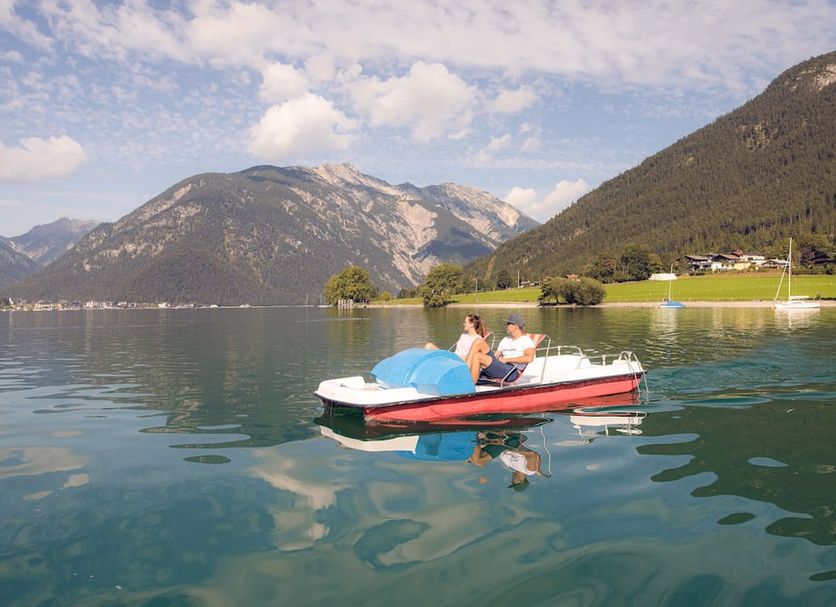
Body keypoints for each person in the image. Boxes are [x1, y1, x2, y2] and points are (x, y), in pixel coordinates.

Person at [425, 314, 491, 382]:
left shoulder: (478, 340)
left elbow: (474, 358)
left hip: (462, 363)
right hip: (454, 358)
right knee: (429, 346)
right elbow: (457, 351)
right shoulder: (463, 336)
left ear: (471, 325)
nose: (463, 324)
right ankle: (426, 373)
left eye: (465, 322)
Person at [474, 312, 535, 383]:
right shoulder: (505, 339)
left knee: (477, 356)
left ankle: (471, 384)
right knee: (477, 351)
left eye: (508, 323)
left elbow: (529, 358)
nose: (506, 326)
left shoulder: (526, 340)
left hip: (512, 371)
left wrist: (506, 360)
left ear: (516, 326)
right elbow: (496, 355)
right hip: (501, 366)